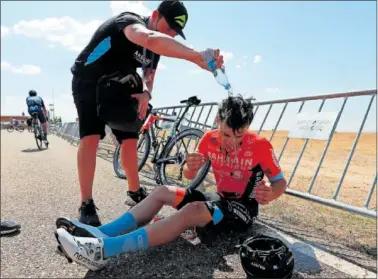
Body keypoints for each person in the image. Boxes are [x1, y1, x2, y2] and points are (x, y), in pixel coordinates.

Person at [55, 95, 288, 271]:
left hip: (243, 209)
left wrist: (272, 193)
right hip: (219, 200)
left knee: (193, 209)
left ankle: (104, 250)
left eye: (240, 137)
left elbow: (280, 182)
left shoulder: (260, 145)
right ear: (218, 121)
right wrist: (190, 166)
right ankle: (98, 233)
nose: (232, 144)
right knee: (162, 191)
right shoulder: (208, 139)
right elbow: (187, 175)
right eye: (226, 135)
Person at [71, 0, 224, 226]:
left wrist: (146, 94)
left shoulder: (154, 52)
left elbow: (149, 76)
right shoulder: (129, 21)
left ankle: (134, 193)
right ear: (155, 15)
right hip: (89, 81)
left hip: (118, 85)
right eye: (169, 26)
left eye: (175, 31)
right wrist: (197, 57)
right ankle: (86, 203)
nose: (171, 33)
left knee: (130, 139)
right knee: (91, 137)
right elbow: (149, 38)